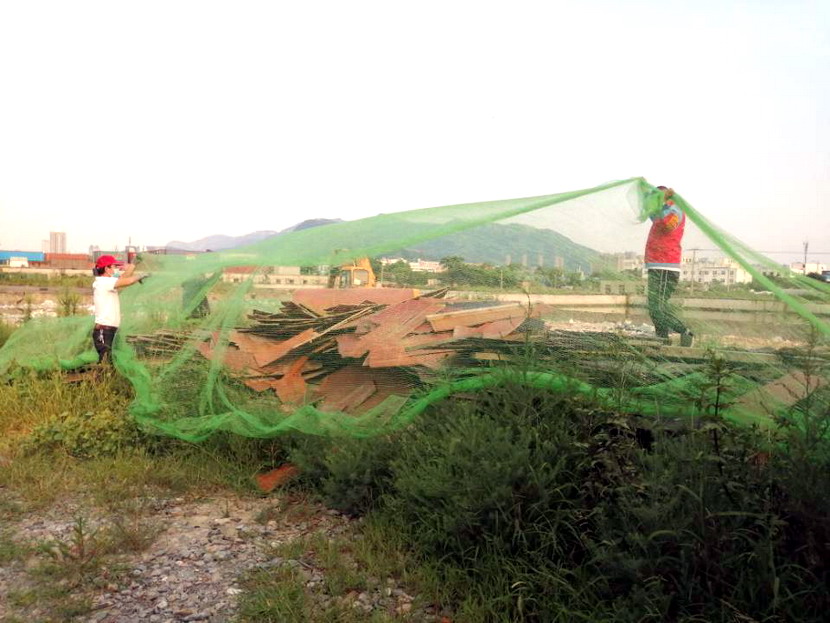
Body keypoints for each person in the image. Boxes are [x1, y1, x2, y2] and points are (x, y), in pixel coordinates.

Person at [644, 186, 694, 347]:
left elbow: (669, 226)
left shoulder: (674, 210)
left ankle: (685, 332)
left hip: (666, 267)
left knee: (657, 308)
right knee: (654, 307)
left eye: (656, 198)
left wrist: (664, 203)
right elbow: (651, 213)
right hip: (655, 265)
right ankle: (662, 339)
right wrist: (644, 190)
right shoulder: (660, 212)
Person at [92, 255, 146, 362]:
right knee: (106, 362)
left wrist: (133, 265)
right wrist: (140, 276)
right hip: (104, 331)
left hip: (110, 330)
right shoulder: (103, 282)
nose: (115, 269)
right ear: (107, 269)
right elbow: (127, 281)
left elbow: (122, 279)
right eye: (113, 267)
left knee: (112, 362)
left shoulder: (108, 282)